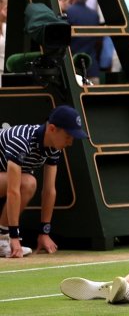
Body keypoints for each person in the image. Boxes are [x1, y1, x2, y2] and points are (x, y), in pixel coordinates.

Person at [0, 106, 88, 258]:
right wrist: (13, 237)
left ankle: (2, 238)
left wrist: (44, 232)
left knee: (28, 183)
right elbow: (13, 190)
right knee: (27, 183)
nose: (70, 142)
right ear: (52, 129)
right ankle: (3, 238)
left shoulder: (54, 148)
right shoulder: (21, 140)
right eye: (68, 135)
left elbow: (49, 190)